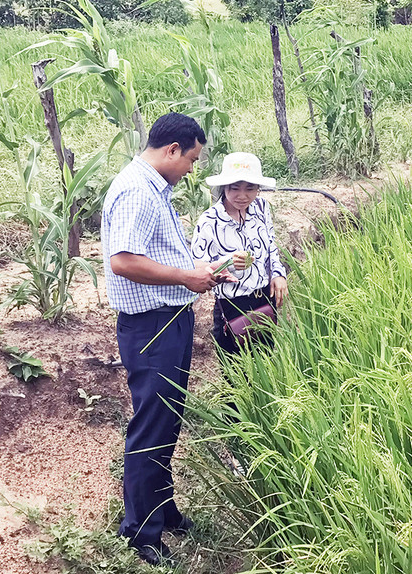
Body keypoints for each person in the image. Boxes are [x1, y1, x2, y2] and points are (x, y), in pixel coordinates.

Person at [101, 112, 234, 566]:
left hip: (168, 318)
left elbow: (154, 253)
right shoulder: (136, 190)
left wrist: (199, 273)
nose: (193, 169)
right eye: (192, 159)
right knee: (152, 427)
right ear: (172, 149)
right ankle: (141, 532)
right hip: (150, 327)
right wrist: (185, 277)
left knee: (168, 420)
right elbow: (123, 260)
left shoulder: (154, 188)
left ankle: (164, 510)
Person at [191, 152, 288, 355]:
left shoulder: (261, 208)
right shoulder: (210, 221)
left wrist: (278, 274)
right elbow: (197, 268)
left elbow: (270, 244)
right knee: (236, 372)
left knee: (266, 360)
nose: (242, 196)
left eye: (250, 189)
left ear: (258, 189)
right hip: (233, 305)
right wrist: (227, 263)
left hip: (264, 299)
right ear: (224, 187)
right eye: (235, 189)